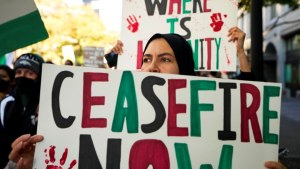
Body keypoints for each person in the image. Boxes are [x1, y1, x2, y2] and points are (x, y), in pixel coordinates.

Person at [5, 34, 285, 169]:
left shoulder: (219, 130)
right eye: (146, 59)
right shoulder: (110, 129)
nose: (151, 68)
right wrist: (37, 164)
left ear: (185, 68)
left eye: (165, 59)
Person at [0, 53, 44, 169]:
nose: (23, 76)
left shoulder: (47, 104)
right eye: (19, 72)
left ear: (39, 76)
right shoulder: (7, 102)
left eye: (29, 73)